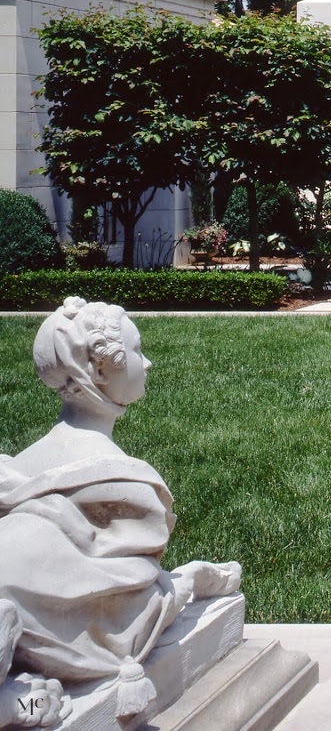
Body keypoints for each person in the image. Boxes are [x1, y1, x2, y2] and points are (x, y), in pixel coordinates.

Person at [0, 299, 239, 724]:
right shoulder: (122, 485)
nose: (147, 364)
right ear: (98, 369)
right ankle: (19, 706)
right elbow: (138, 602)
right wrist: (195, 579)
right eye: (136, 350)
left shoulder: (25, 464)